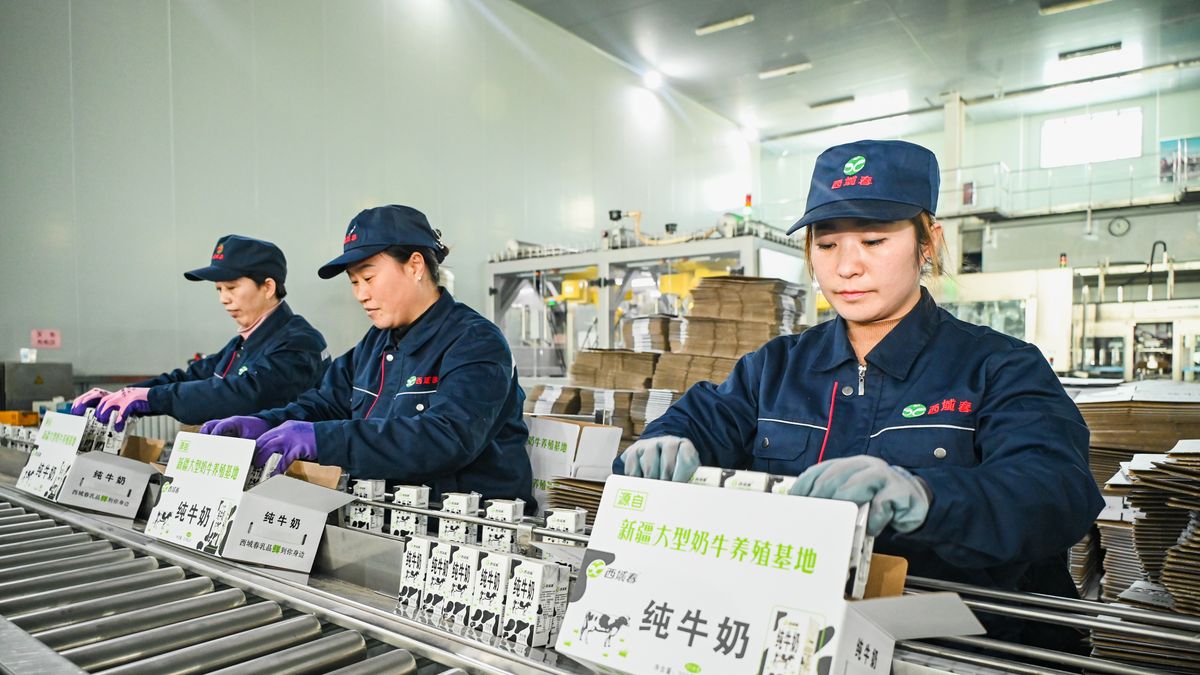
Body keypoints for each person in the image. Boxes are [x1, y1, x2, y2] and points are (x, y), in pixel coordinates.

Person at [615, 140, 1104, 650]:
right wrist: (664, 442)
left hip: (956, 650)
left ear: (928, 243)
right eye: (827, 245)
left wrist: (926, 497)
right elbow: (700, 420)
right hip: (797, 636)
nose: (846, 267)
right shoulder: (776, 368)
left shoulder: (998, 366)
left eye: (873, 241)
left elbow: (1055, 490)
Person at [202, 205, 535, 511]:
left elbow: (445, 438)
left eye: (369, 278)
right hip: (390, 520)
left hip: (468, 530)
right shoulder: (376, 343)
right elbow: (324, 404)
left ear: (415, 266)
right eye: (354, 282)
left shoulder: (475, 342)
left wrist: (323, 440)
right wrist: (267, 424)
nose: (361, 294)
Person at [71, 235, 329, 430]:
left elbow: (247, 394)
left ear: (268, 287)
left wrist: (154, 398)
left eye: (231, 288)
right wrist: (125, 394)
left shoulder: (299, 341)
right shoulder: (243, 343)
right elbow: (192, 377)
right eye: (219, 290)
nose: (223, 299)